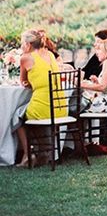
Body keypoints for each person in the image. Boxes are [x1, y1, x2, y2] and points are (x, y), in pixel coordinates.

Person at [14, 29, 67, 167]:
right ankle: (43, 152)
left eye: (22, 43)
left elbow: (24, 82)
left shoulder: (26, 58)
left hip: (44, 107)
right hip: (60, 107)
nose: (21, 46)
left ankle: (27, 155)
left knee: (16, 116)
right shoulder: (50, 54)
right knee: (28, 113)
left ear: (29, 44)